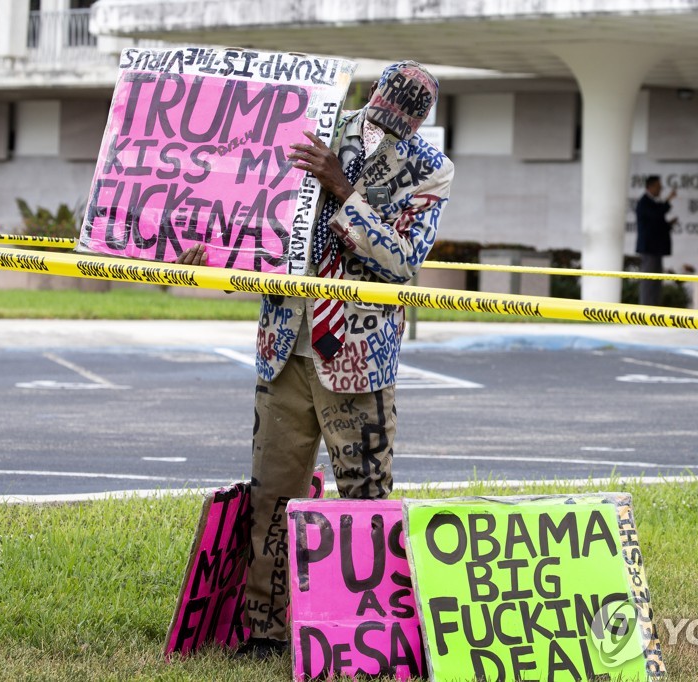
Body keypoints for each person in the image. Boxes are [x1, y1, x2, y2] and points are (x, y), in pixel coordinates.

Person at [179, 60, 455, 658]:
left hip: (357, 358)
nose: (399, 109)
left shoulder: (431, 169)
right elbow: (260, 224)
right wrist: (210, 255)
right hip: (283, 347)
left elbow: (401, 261)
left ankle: (364, 632)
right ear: (376, 90)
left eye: (414, 105)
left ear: (425, 115)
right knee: (270, 496)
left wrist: (343, 188)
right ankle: (267, 630)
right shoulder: (314, 130)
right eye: (395, 95)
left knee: (365, 498)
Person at [635, 175, 678, 306]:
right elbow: (657, 215)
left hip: (656, 248)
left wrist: (668, 224)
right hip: (649, 248)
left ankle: (654, 307)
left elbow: (657, 222)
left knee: (656, 280)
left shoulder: (652, 202)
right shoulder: (644, 202)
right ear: (651, 186)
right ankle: (646, 308)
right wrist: (668, 200)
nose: (660, 189)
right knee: (648, 279)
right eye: (658, 187)